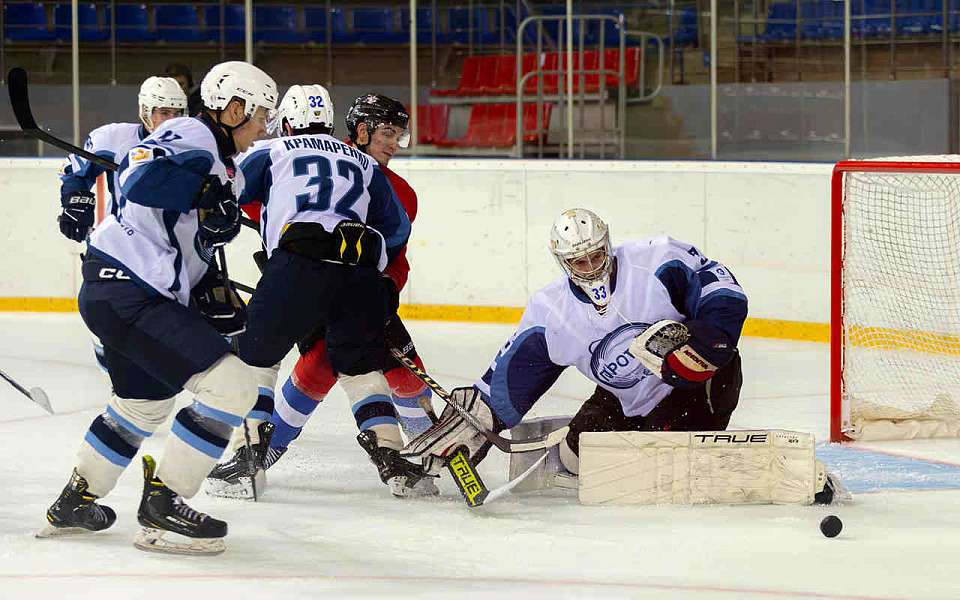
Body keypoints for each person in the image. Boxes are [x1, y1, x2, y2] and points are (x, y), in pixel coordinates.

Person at [38, 61, 278, 556]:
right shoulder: (193, 131)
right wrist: (204, 194)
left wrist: (212, 286)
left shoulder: (221, 162)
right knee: (232, 386)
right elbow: (141, 176)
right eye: (258, 117)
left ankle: (76, 501)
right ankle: (163, 507)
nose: (262, 130)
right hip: (130, 291)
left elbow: (185, 235)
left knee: (142, 404)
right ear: (232, 109)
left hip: (117, 290)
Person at [402, 208, 748, 481]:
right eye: (579, 262)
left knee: (649, 462)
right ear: (563, 263)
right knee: (574, 459)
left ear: (607, 245)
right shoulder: (552, 312)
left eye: (597, 256)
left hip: (699, 384)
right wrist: (478, 419)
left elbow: (718, 285)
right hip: (623, 396)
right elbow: (512, 378)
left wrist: (714, 334)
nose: (591, 268)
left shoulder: (656, 260)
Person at [207, 93, 437, 499]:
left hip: (299, 266)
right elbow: (396, 233)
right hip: (362, 275)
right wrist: (378, 280)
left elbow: (228, 189)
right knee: (361, 366)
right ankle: (394, 460)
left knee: (256, 355)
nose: (393, 143)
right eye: (388, 133)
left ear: (287, 124)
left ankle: (250, 458)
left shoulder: (273, 149)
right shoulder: (367, 168)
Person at [58, 75, 187, 243]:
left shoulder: (193, 146)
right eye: (164, 113)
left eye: (177, 114)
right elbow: (75, 171)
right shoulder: (116, 139)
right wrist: (76, 202)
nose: (172, 121)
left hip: (174, 245)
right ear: (146, 111)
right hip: (122, 244)